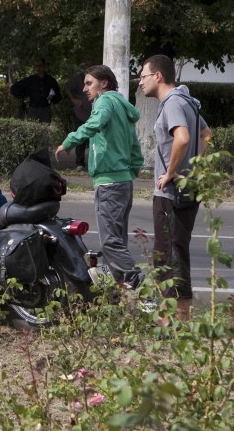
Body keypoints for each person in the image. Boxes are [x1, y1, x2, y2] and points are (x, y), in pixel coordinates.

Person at [55, 64, 144, 288]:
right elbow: (134, 146)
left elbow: (95, 124)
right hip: (123, 181)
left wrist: (69, 141)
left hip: (110, 182)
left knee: (111, 243)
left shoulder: (104, 101)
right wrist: (129, 171)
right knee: (118, 241)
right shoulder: (122, 106)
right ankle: (121, 293)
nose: (84, 89)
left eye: (89, 83)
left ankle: (138, 287)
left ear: (103, 83)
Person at [138, 54, 211, 321]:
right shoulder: (188, 101)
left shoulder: (172, 103)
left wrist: (171, 172)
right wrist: (195, 169)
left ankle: (172, 318)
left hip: (171, 193)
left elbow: (183, 137)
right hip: (187, 189)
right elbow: (207, 134)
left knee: (166, 255)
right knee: (176, 251)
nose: (140, 82)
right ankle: (181, 316)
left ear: (158, 76)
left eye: (143, 76)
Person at [65, 60, 97, 171]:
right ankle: (80, 163)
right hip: (81, 113)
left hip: (94, 114)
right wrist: (73, 99)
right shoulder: (78, 78)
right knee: (80, 137)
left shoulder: (98, 79)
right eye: (87, 65)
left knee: (95, 138)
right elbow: (67, 86)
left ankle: (94, 162)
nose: (85, 89)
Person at [11, 58, 62, 123]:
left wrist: (52, 98)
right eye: (36, 66)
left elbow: (58, 96)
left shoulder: (51, 80)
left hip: (45, 109)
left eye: (40, 66)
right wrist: (24, 95)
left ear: (44, 66)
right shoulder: (30, 80)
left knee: (45, 131)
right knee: (33, 131)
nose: (38, 68)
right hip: (33, 109)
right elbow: (14, 88)